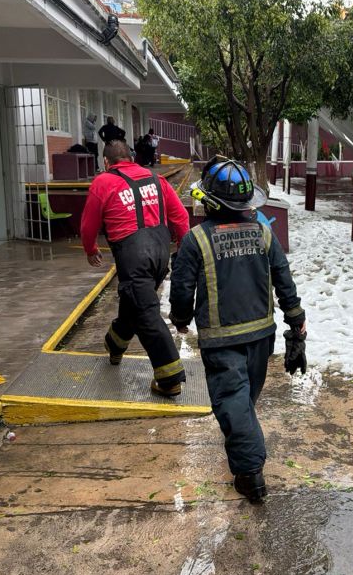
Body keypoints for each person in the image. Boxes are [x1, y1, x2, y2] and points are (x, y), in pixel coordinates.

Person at [169, 157, 306, 503]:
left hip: (222, 340)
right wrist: (296, 320)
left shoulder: (195, 240)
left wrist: (180, 318)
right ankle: (245, 448)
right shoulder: (263, 231)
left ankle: (250, 474)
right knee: (243, 400)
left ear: (210, 201)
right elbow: (283, 279)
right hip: (262, 336)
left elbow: (182, 288)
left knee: (234, 402)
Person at [80, 140, 190, 395]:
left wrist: (90, 249)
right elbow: (180, 217)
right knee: (134, 301)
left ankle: (170, 378)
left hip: (133, 257)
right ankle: (114, 345)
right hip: (160, 254)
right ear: (131, 158)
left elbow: (88, 226)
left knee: (147, 315)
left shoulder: (103, 182)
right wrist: (182, 250)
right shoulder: (156, 179)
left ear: (106, 162)